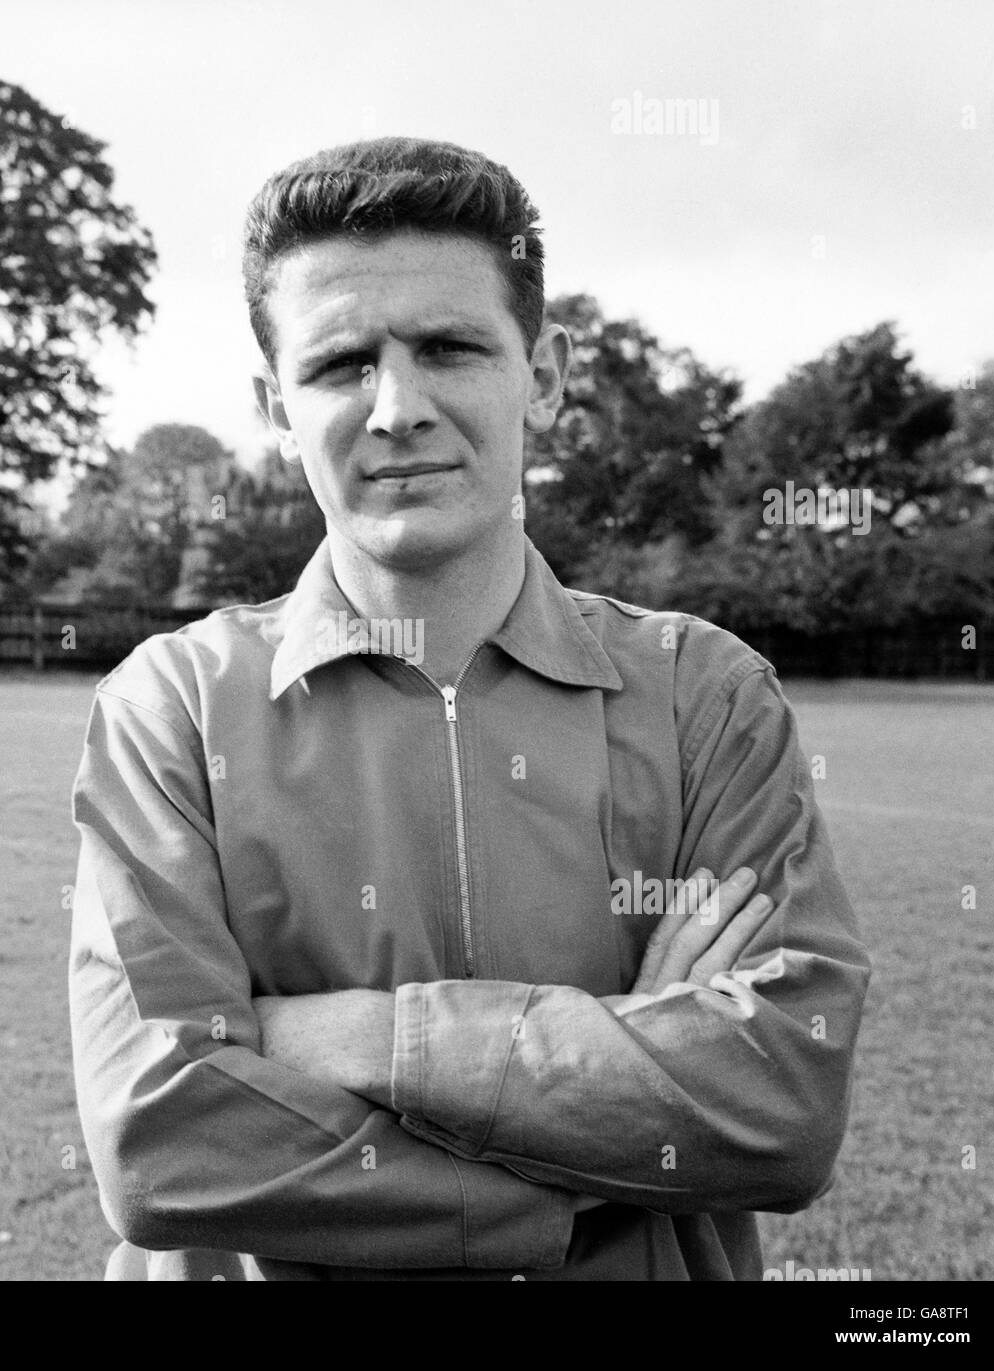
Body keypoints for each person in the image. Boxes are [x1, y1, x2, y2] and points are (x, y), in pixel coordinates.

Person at [67, 136, 871, 1280]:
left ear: (541, 374)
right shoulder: (174, 711)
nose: (396, 406)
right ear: (274, 405)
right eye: (342, 363)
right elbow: (162, 1148)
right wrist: (610, 1128)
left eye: (447, 347)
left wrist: (352, 1038)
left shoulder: (706, 699)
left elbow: (779, 1108)